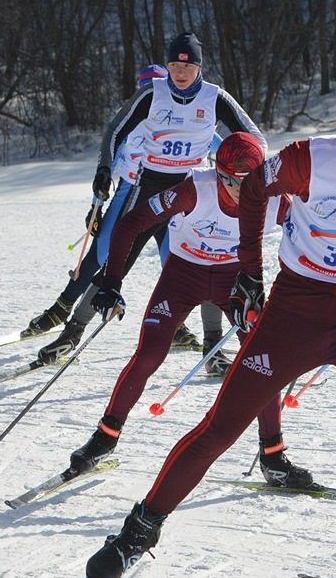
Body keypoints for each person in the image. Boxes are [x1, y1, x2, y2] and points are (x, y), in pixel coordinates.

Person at [80, 73, 336, 578]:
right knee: (219, 428)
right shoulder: (308, 160)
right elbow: (254, 188)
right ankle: (136, 533)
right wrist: (250, 275)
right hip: (292, 316)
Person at [65, 133, 313, 490]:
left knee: (263, 362)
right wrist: (112, 281)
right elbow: (133, 222)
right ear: (218, 172)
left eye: (250, 182)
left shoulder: (275, 199)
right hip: (183, 276)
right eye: (230, 180)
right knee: (149, 355)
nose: (240, 191)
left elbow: (313, 236)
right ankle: (104, 438)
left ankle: (273, 456)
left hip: (235, 282)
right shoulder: (195, 189)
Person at [32, 33, 268, 364]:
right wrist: (103, 170)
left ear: (199, 67)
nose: (180, 72)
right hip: (149, 186)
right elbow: (115, 131)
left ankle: (211, 347)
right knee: (116, 262)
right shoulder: (151, 94)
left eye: (187, 66)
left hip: (193, 189)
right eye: (174, 65)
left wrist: (242, 166)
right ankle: (72, 333)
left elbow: (256, 138)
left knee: (207, 260)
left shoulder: (216, 99)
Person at [22, 64, 217, 357]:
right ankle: (61, 312)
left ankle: (179, 328)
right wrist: (95, 208)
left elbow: (226, 146)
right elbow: (109, 162)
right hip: (132, 193)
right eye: (146, 88)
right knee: (102, 255)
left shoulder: (188, 118)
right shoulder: (134, 117)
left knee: (180, 264)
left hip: (176, 199)